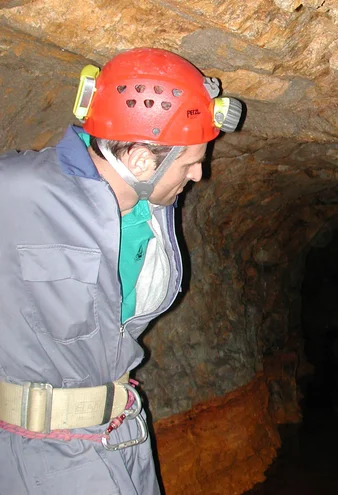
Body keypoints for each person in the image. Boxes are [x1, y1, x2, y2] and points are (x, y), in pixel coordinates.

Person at [0, 48, 242, 494]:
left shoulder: (151, 212)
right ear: (140, 161)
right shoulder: (17, 192)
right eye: (191, 163)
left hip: (125, 437)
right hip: (41, 453)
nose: (198, 177)